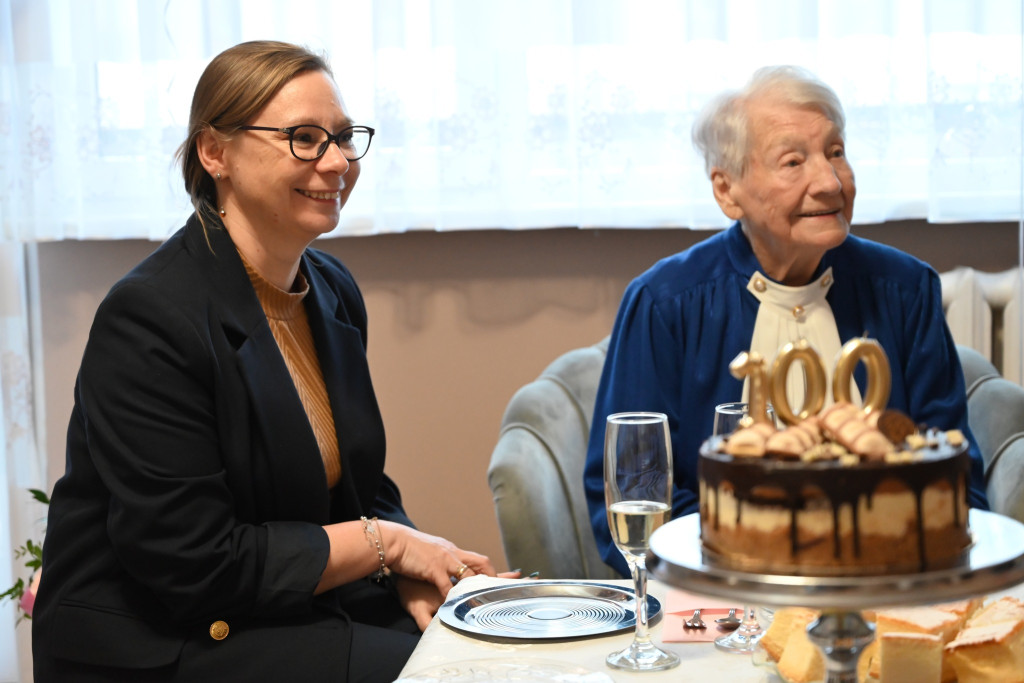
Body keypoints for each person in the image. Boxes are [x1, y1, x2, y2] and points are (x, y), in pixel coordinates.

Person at [32, 40, 516, 682]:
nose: (339, 161)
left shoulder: (331, 288)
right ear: (215, 152)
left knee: (493, 646)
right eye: (306, 138)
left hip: (279, 604)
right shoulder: (149, 317)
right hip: (164, 639)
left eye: (343, 137)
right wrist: (391, 546)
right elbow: (194, 563)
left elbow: (360, 490)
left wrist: (409, 572)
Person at [583, 65, 990, 577]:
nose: (829, 182)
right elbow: (628, 489)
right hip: (720, 606)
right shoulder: (664, 303)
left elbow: (957, 480)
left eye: (836, 153)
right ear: (728, 191)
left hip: (887, 586)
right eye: (793, 161)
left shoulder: (907, 290)